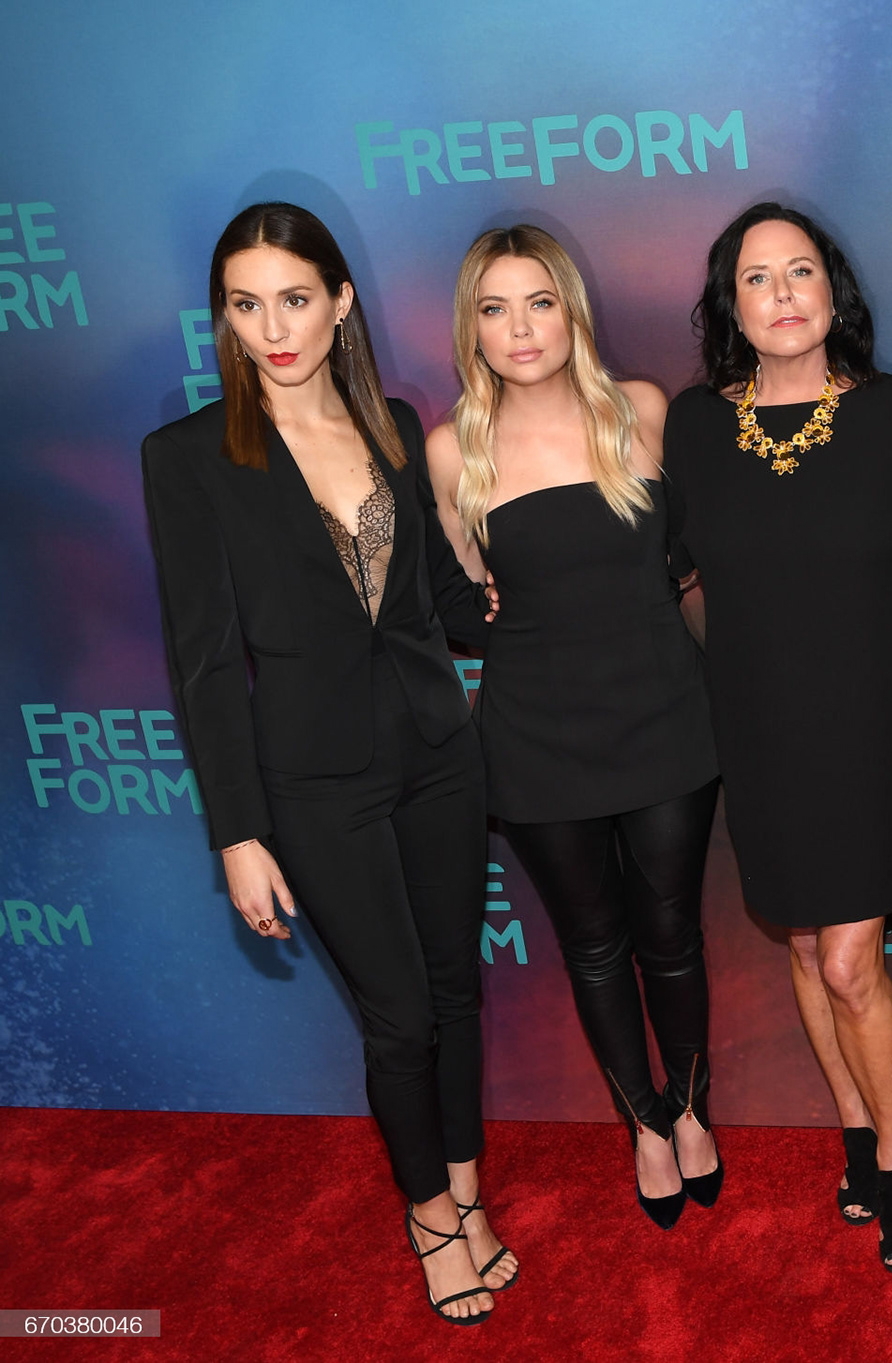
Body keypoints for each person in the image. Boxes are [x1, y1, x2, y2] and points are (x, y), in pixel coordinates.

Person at [141, 202, 513, 1325]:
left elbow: (442, 604)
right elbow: (204, 665)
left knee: (455, 994)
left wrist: (555, 591)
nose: (273, 328)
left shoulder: (392, 420)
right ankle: (429, 1218)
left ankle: (467, 1188)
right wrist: (238, 835)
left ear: (340, 300)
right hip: (313, 783)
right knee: (399, 1016)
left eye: (294, 299)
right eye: (246, 306)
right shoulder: (190, 457)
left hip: (439, 755)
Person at [662, 201, 892, 1273]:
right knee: (798, 941)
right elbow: (685, 576)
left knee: (847, 955)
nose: (782, 295)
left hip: (869, 732)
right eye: (756, 279)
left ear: (835, 291)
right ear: (729, 305)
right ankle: (857, 1133)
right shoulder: (694, 426)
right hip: (762, 730)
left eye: (800, 273)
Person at [423, 225, 723, 1229]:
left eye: (539, 301)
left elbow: (689, 560)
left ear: (572, 310)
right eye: (495, 308)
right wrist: (486, 612)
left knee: (671, 934)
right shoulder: (449, 447)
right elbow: (465, 602)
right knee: (594, 943)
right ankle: (641, 1124)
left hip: (663, 715)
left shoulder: (641, 411)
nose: (520, 328)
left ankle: (688, 1109)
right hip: (537, 734)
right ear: (472, 326)